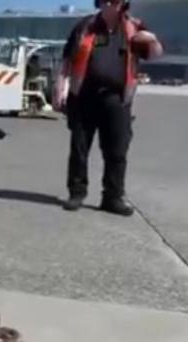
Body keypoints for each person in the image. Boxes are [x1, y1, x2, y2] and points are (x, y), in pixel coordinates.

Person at [53, 0, 163, 216]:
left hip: (117, 99)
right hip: (84, 95)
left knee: (117, 150)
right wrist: (59, 87)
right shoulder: (85, 26)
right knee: (79, 147)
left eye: (119, 1)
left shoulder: (135, 27)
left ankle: (112, 197)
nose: (114, 5)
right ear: (101, 3)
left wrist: (152, 40)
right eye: (109, 1)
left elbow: (155, 53)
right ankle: (77, 193)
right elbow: (67, 60)